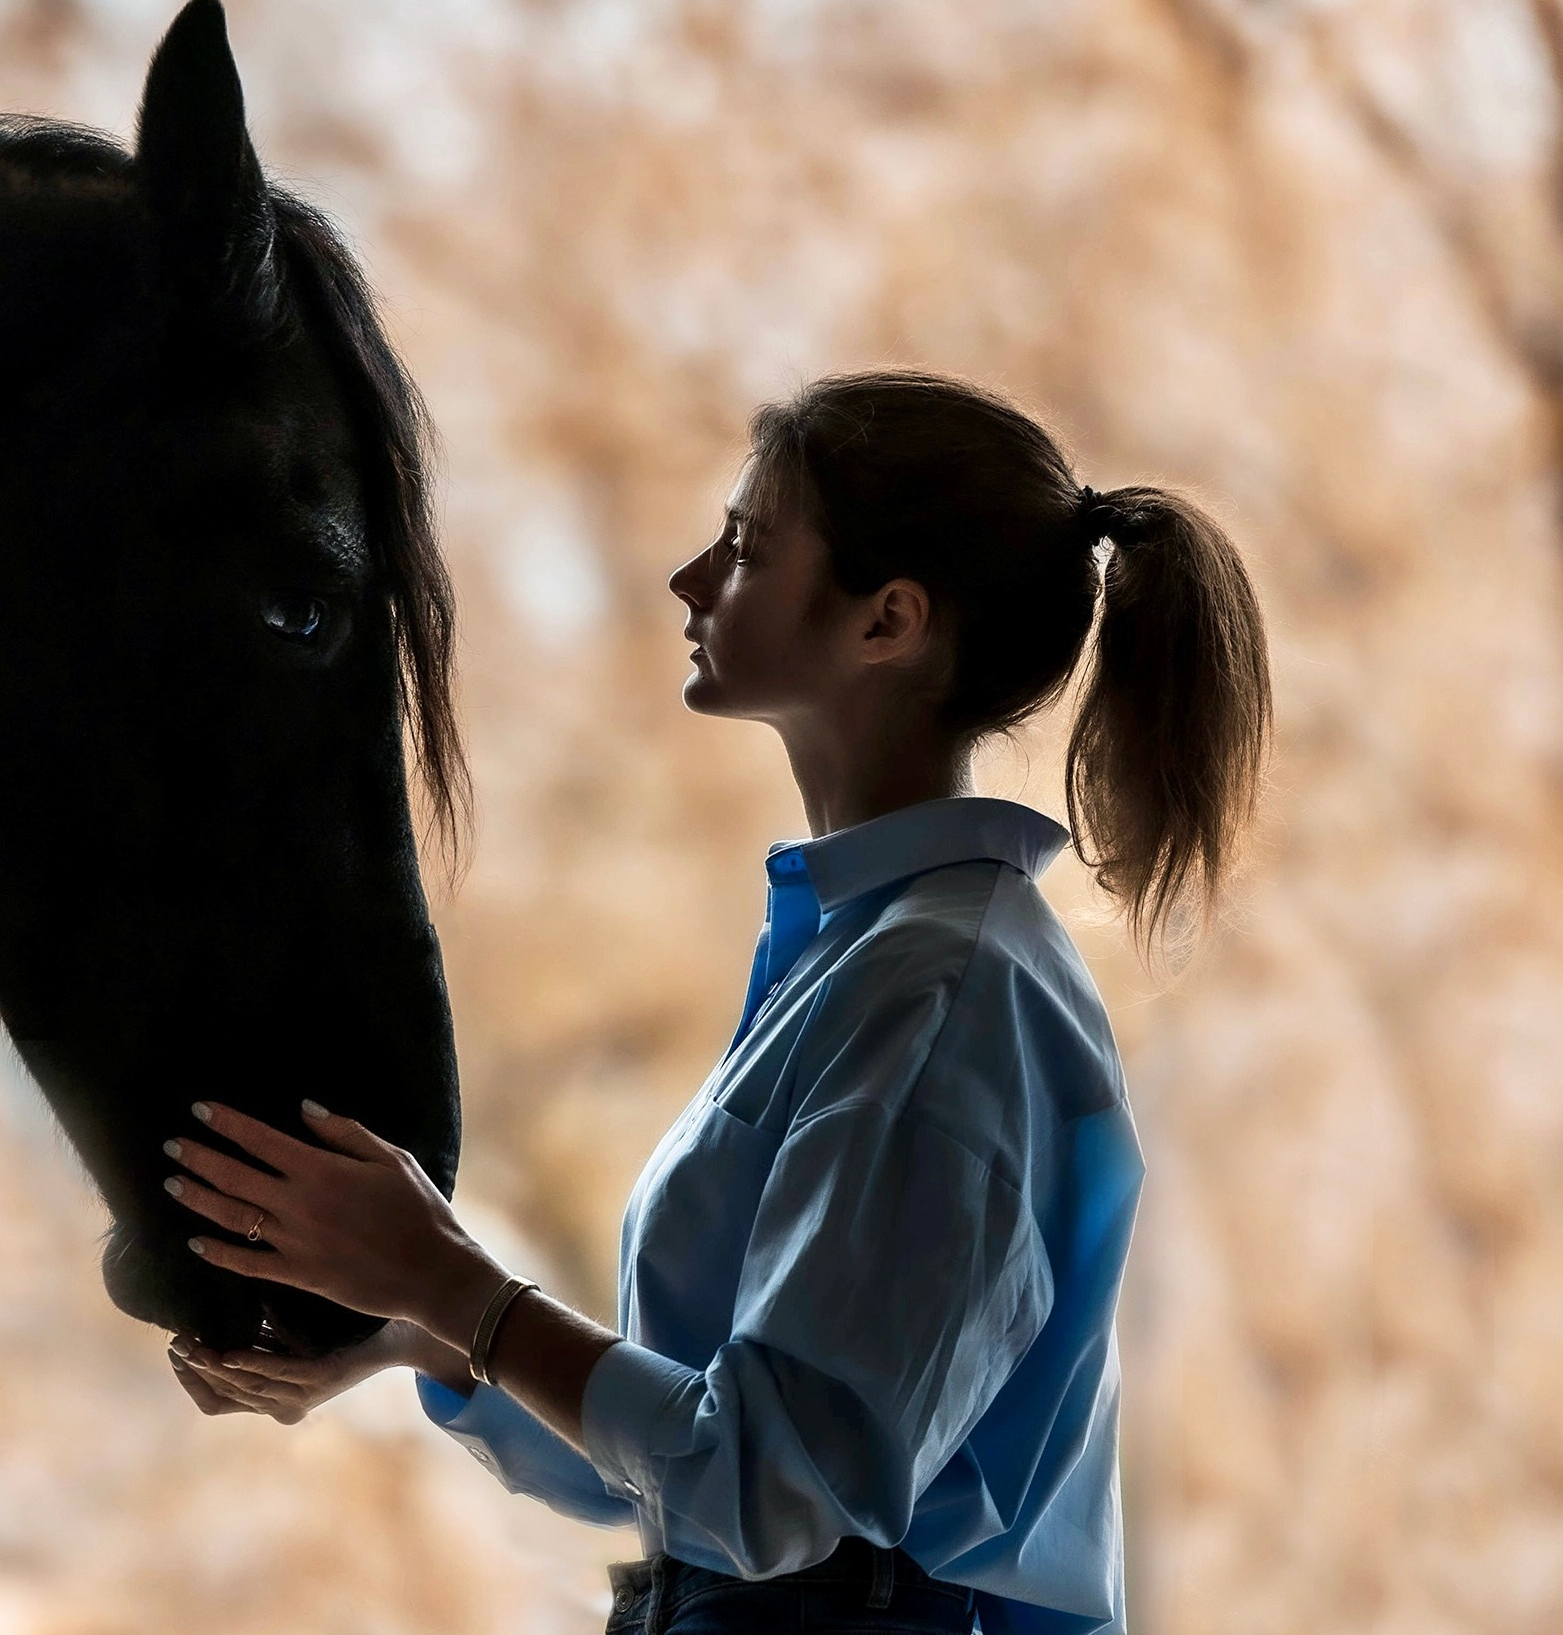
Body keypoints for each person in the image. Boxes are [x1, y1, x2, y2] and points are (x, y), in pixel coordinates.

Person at [159, 370, 1272, 1635]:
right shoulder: (867, 964)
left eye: (743, 549)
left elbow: (767, 1493)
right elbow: (686, 1456)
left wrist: (447, 1279)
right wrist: (415, 1329)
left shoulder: (943, 997)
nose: (688, 581)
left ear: (887, 620)